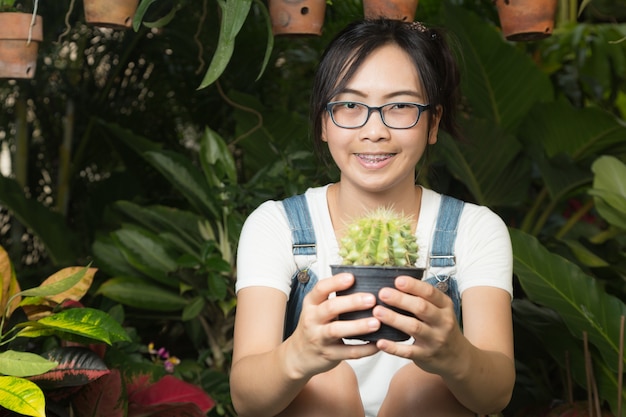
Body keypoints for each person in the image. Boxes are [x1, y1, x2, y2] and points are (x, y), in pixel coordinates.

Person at [230, 18, 515, 417]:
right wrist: (299, 353)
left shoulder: (475, 229)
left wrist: (455, 355)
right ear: (323, 121)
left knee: (424, 385)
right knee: (326, 382)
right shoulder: (275, 226)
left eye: (400, 106)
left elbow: (495, 393)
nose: (374, 130)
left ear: (433, 123)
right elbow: (246, 398)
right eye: (350, 105)